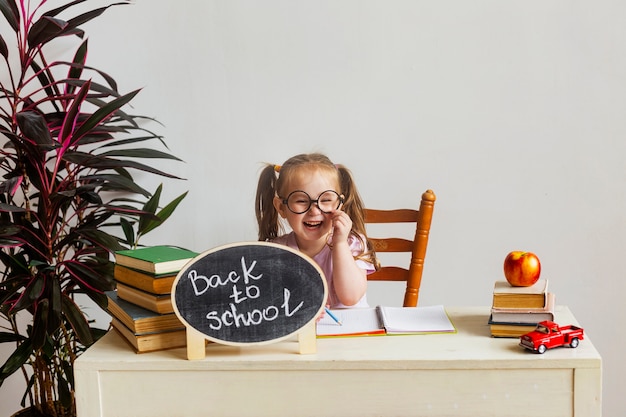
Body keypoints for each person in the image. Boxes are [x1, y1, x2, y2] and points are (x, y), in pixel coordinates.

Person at [255, 153, 378, 308]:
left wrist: (339, 244)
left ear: (339, 204)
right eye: (301, 200)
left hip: (351, 330)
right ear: (281, 207)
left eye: (326, 200)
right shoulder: (277, 251)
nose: (314, 210)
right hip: (303, 331)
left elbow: (350, 297)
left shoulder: (352, 243)